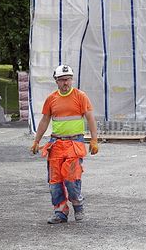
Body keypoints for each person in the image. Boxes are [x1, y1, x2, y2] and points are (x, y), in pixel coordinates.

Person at [30, 64, 99, 224]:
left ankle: (78, 206)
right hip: (56, 144)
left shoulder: (80, 97)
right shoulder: (51, 99)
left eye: (68, 79)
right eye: (61, 80)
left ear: (72, 80)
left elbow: (90, 118)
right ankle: (60, 213)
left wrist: (94, 139)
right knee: (55, 182)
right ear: (56, 81)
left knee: (71, 179)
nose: (65, 83)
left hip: (74, 143)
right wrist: (37, 140)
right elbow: (45, 120)